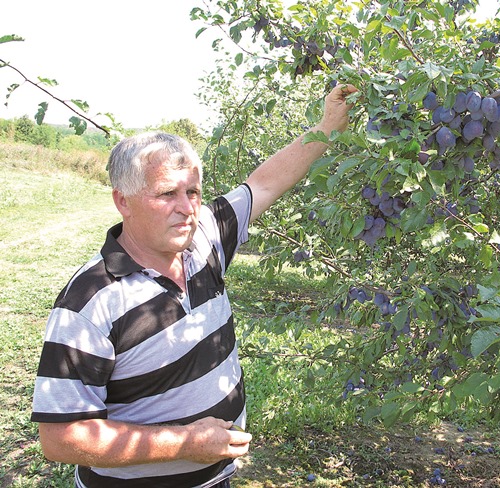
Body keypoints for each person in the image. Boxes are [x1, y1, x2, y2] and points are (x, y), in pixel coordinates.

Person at [30, 83, 357, 488]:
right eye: (167, 193)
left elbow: (266, 183)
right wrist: (183, 443)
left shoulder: (205, 237)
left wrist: (327, 124)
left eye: (193, 191)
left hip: (216, 478)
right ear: (123, 201)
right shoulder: (90, 301)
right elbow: (61, 437)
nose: (186, 208)